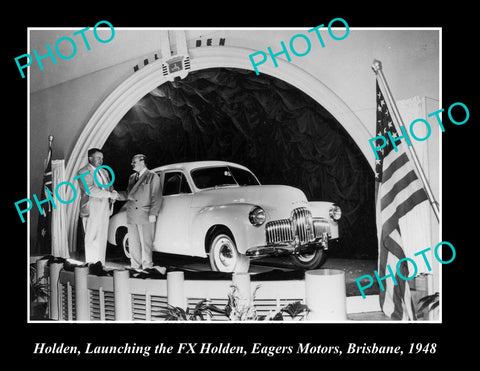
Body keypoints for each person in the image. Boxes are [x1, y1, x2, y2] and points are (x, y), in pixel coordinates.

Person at [117, 154, 162, 270]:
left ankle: (147, 266)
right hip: (132, 215)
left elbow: (156, 196)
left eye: (134, 162)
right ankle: (135, 266)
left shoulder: (152, 176)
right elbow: (128, 194)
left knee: (146, 243)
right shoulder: (132, 177)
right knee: (133, 243)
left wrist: (153, 213)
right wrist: (116, 195)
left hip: (145, 214)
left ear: (142, 162)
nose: (132, 164)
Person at [77, 148, 118, 265]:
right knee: (92, 239)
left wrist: (112, 197)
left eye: (102, 158)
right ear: (90, 158)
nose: (101, 160)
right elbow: (90, 190)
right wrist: (110, 194)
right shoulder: (83, 172)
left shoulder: (104, 172)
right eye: (98, 158)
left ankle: (101, 265)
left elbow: (110, 187)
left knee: (102, 238)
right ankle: (91, 265)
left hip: (104, 208)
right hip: (92, 208)